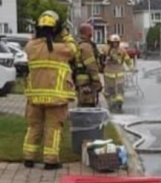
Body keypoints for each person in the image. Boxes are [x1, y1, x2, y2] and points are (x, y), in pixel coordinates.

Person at [22, 11, 76, 170]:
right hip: (56, 98)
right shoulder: (61, 49)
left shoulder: (30, 47)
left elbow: (33, 40)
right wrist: (65, 34)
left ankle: (28, 157)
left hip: (35, 97)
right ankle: (50, 160)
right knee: (53, 128)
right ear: (56, 29)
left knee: (34, 127)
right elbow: (74, 49)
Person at [103, 34, 135, 112]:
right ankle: (111, 104)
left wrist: (131, 68)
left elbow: (127, 60)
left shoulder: (122, 50)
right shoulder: (105, 50)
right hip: (108, 74)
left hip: (119, 73)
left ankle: (119, 103)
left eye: (116, 42)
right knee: (110, 90)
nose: (115, 44)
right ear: (110, 42)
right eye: (113, 42)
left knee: (120, 89)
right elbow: (100, 60)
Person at [74, 23, 102, 107]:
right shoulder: (86, 47)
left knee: (82, 103)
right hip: (87, 81)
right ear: (88, 33)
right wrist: (97, 81)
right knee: (88, 105)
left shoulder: (78, 44)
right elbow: (91, 66)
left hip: (80, 81)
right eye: (91, 31)